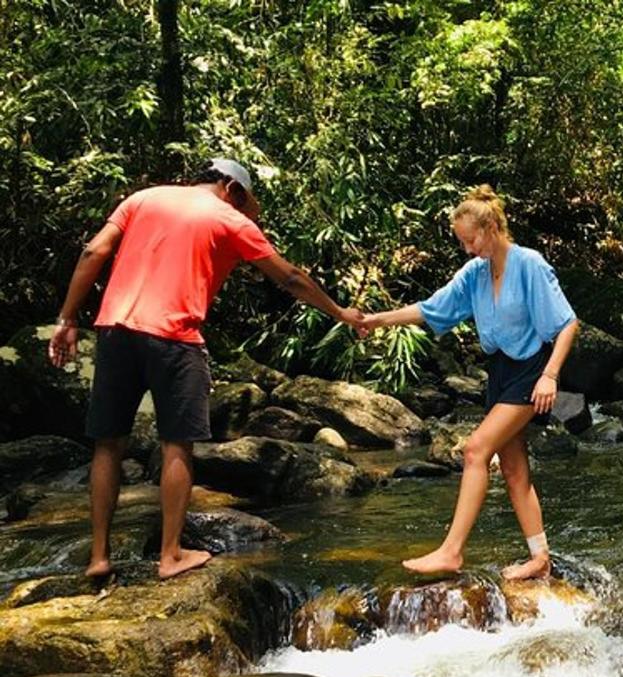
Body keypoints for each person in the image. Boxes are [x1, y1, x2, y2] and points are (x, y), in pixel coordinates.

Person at [48, 158, 364, 579]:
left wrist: (67, 320)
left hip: (114, 330)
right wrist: (340, 312)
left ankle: (99, 557)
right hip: (174, 337)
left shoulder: (142, 199)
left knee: (108, 443)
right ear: (231, 188)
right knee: (177, 444)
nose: (244, 211)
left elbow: (94, 250)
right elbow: (289, 278)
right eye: (245, 203)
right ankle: (171, 555)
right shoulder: (229, 220)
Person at [360, 185, 578, 580]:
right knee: (514, 470)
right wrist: (376, 320)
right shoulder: (475, 274)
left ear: (492, 226)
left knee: (476, 449)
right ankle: (540, 558)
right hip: (499, 371)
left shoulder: (529, 264)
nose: (467, 248)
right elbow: (432, 308)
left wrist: (551, 376)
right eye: (462, 242)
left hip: (532, 370)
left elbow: (567, 324)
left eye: (470, 239)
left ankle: (452, 550)